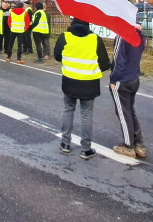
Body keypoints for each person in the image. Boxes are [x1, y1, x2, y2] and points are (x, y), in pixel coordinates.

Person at [53, 17, 110, 159]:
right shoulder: (94, 39)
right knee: (86, 115)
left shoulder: (64, 36)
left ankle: (65, 144)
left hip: (69, 81)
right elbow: (104, 63)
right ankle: (86, 149)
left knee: (68, 110)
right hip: (89, 83)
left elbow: (57, 55)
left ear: (73, 22)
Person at [109, 25, 147, 159]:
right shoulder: (139, 36)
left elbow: (118, 60)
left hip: (122, 81)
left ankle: (128, 146)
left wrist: (113, 79)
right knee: (130, 111)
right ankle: (139, 144)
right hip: (134, 78)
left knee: (123, 113)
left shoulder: (122, 36)